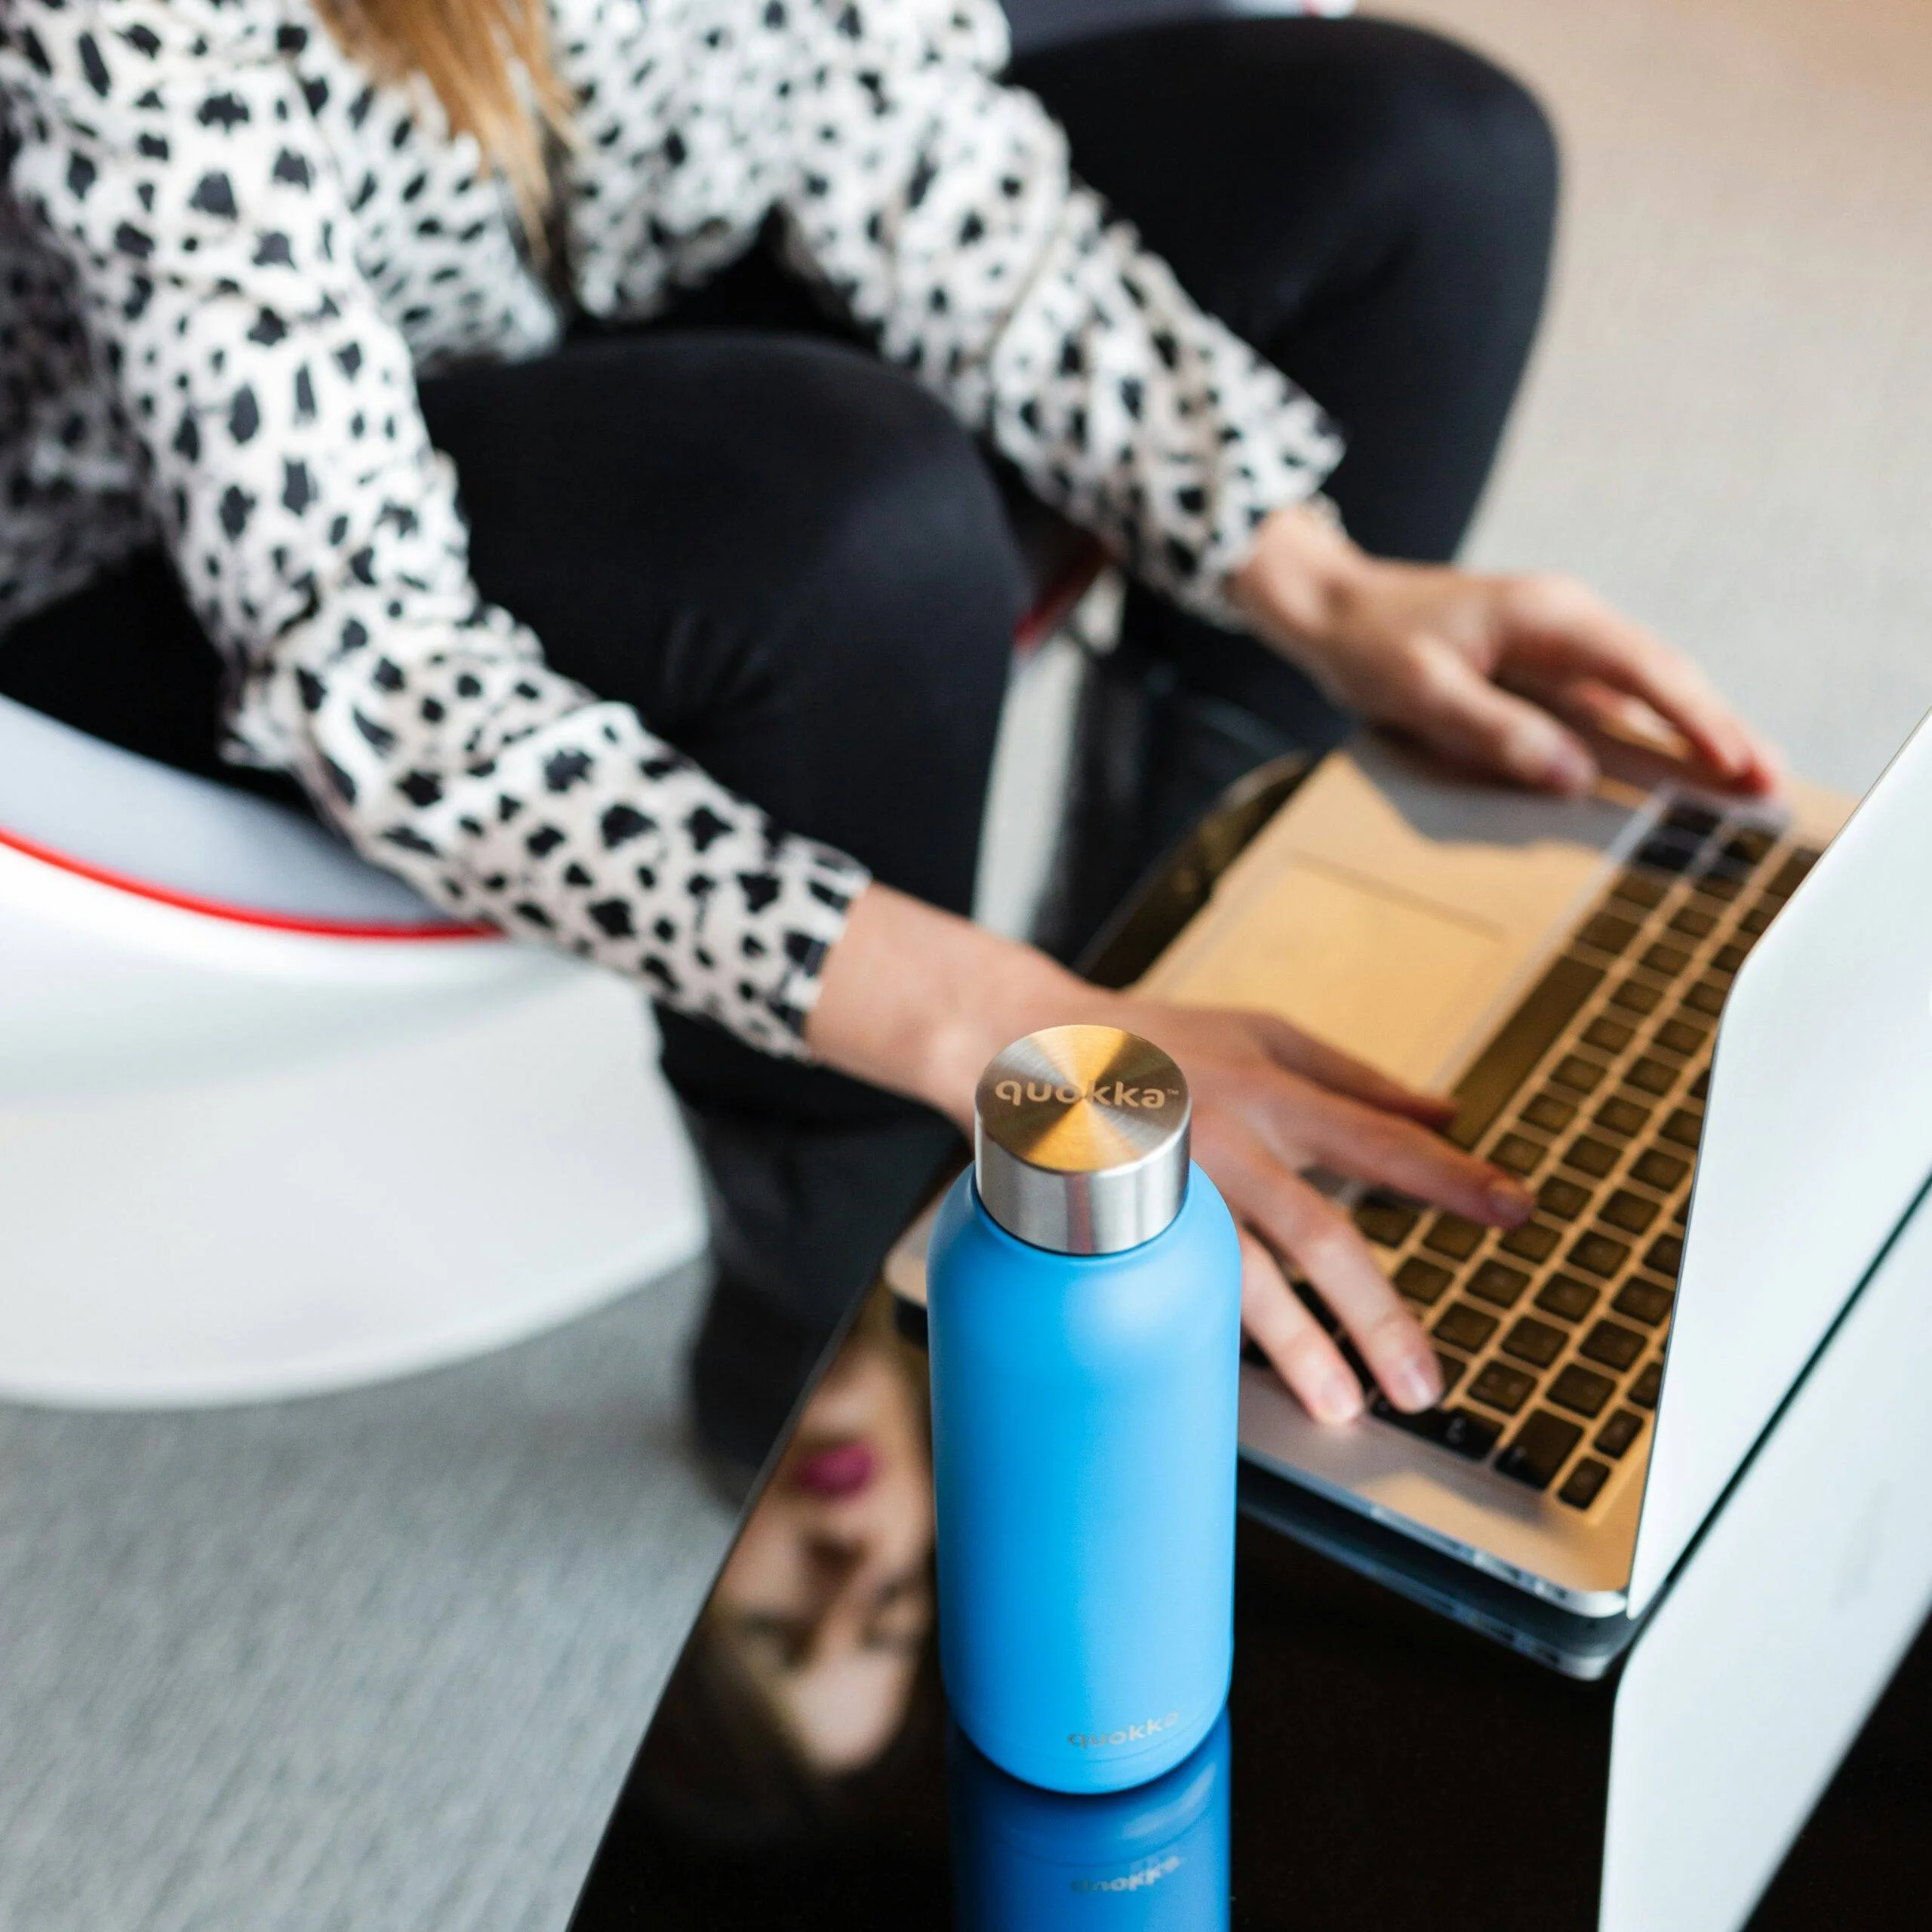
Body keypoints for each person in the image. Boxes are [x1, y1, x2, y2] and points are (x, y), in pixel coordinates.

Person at [0, 0, 1779, 1470]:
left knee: (1427, 163)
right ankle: (836, 1310)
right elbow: (367, 663)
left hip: (578, 302)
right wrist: (991, 1022)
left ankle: (1172, 1031)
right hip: (181, 557)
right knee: (855, 522)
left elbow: (881, 118)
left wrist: (1310, 580)